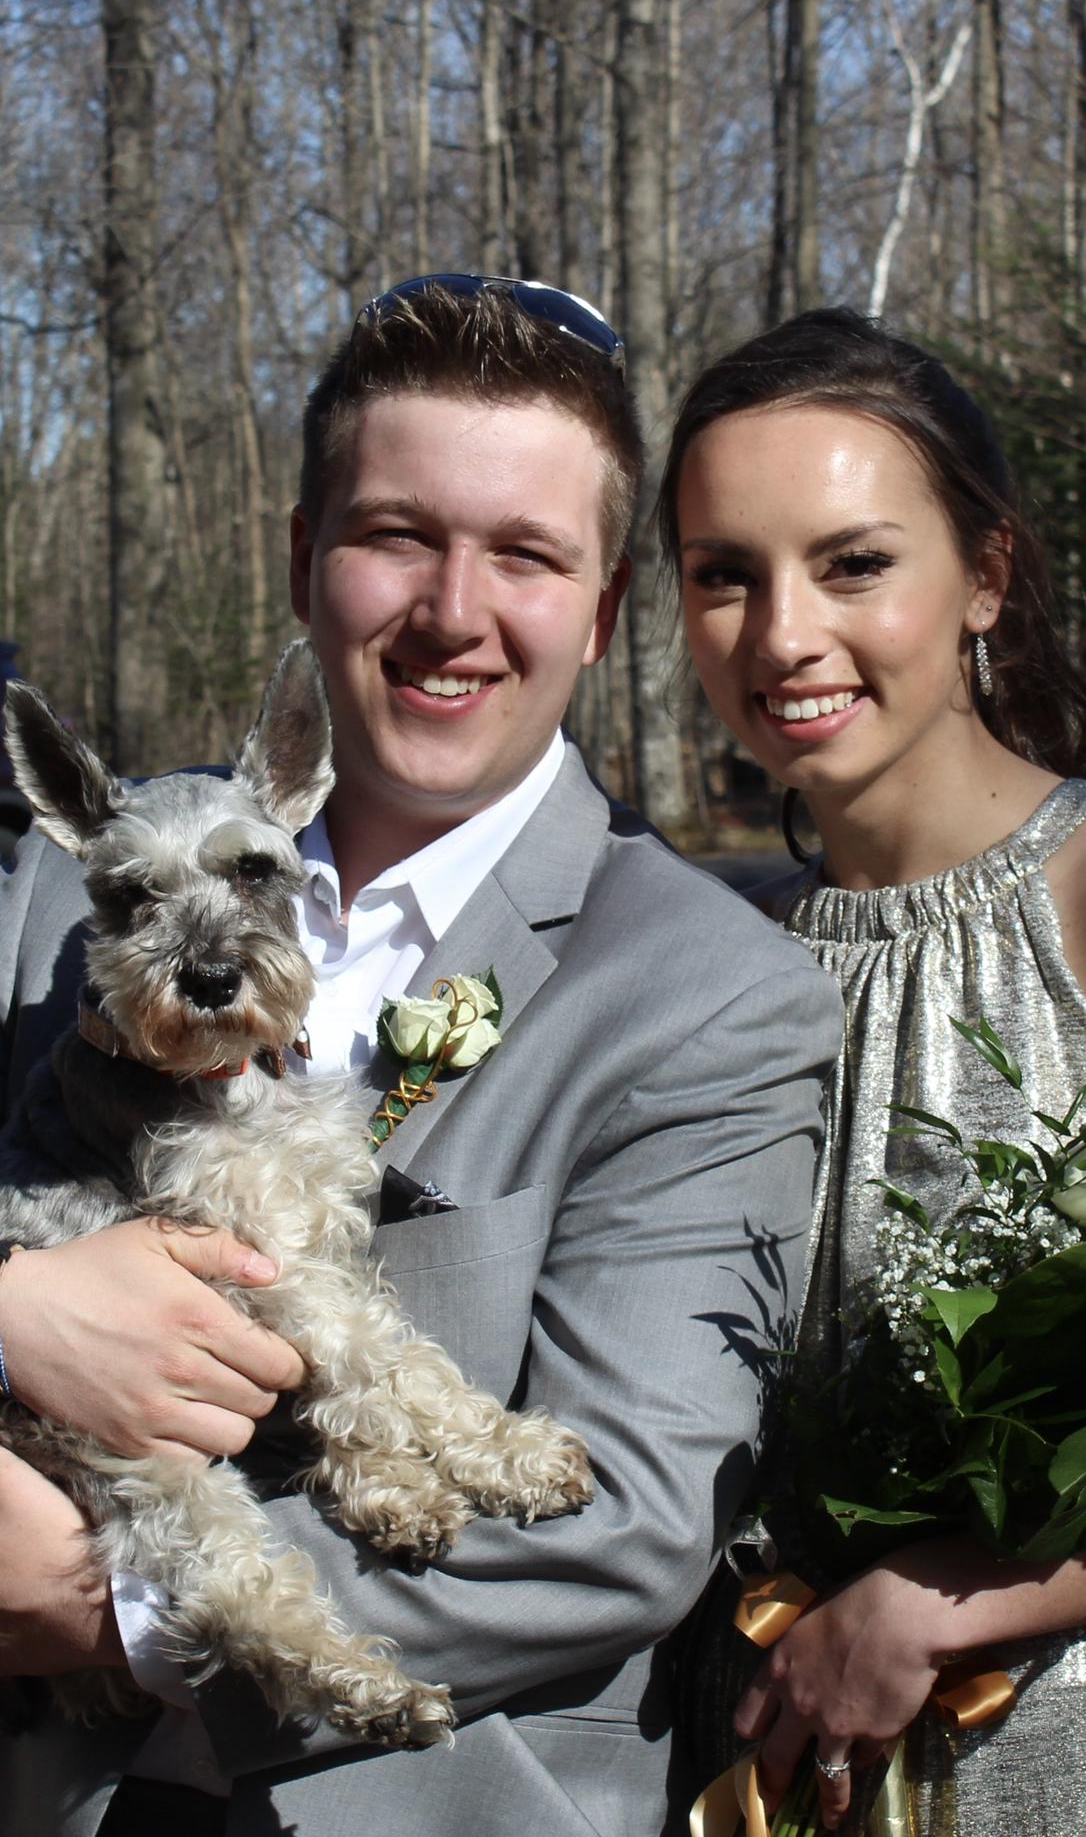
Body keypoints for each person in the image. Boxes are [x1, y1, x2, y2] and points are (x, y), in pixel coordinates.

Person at [0, 276, 840, 1837]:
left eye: (525, 554)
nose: (452, 611)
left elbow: (634, 1517)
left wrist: (101, 1609)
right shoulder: (55, 900)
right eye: (396, 535)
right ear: (305, 561)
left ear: (597, 614)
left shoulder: (711, 994)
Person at [658, 303, 1086, 1836]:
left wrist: (953, 1593)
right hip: (762, 1768)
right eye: (723, 576)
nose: (779, 637)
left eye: (852, 563)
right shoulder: (718, 968)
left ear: (984, 576)